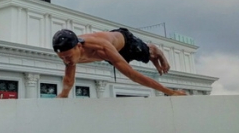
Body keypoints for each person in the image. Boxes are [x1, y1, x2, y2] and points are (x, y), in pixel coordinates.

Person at [52, 28, 186, 97]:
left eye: (68, 56)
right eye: (61, 57)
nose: (66, 61)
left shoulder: (102, 48)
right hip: (110, 54)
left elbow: (133, 75)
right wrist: (62, 97)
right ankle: (152, 57)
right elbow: (68, 81)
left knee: (148, 53)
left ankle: (156, 51)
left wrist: (169, 92)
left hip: (126, 42)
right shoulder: (69, 55)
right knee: (146, 58)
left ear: (79, 47)